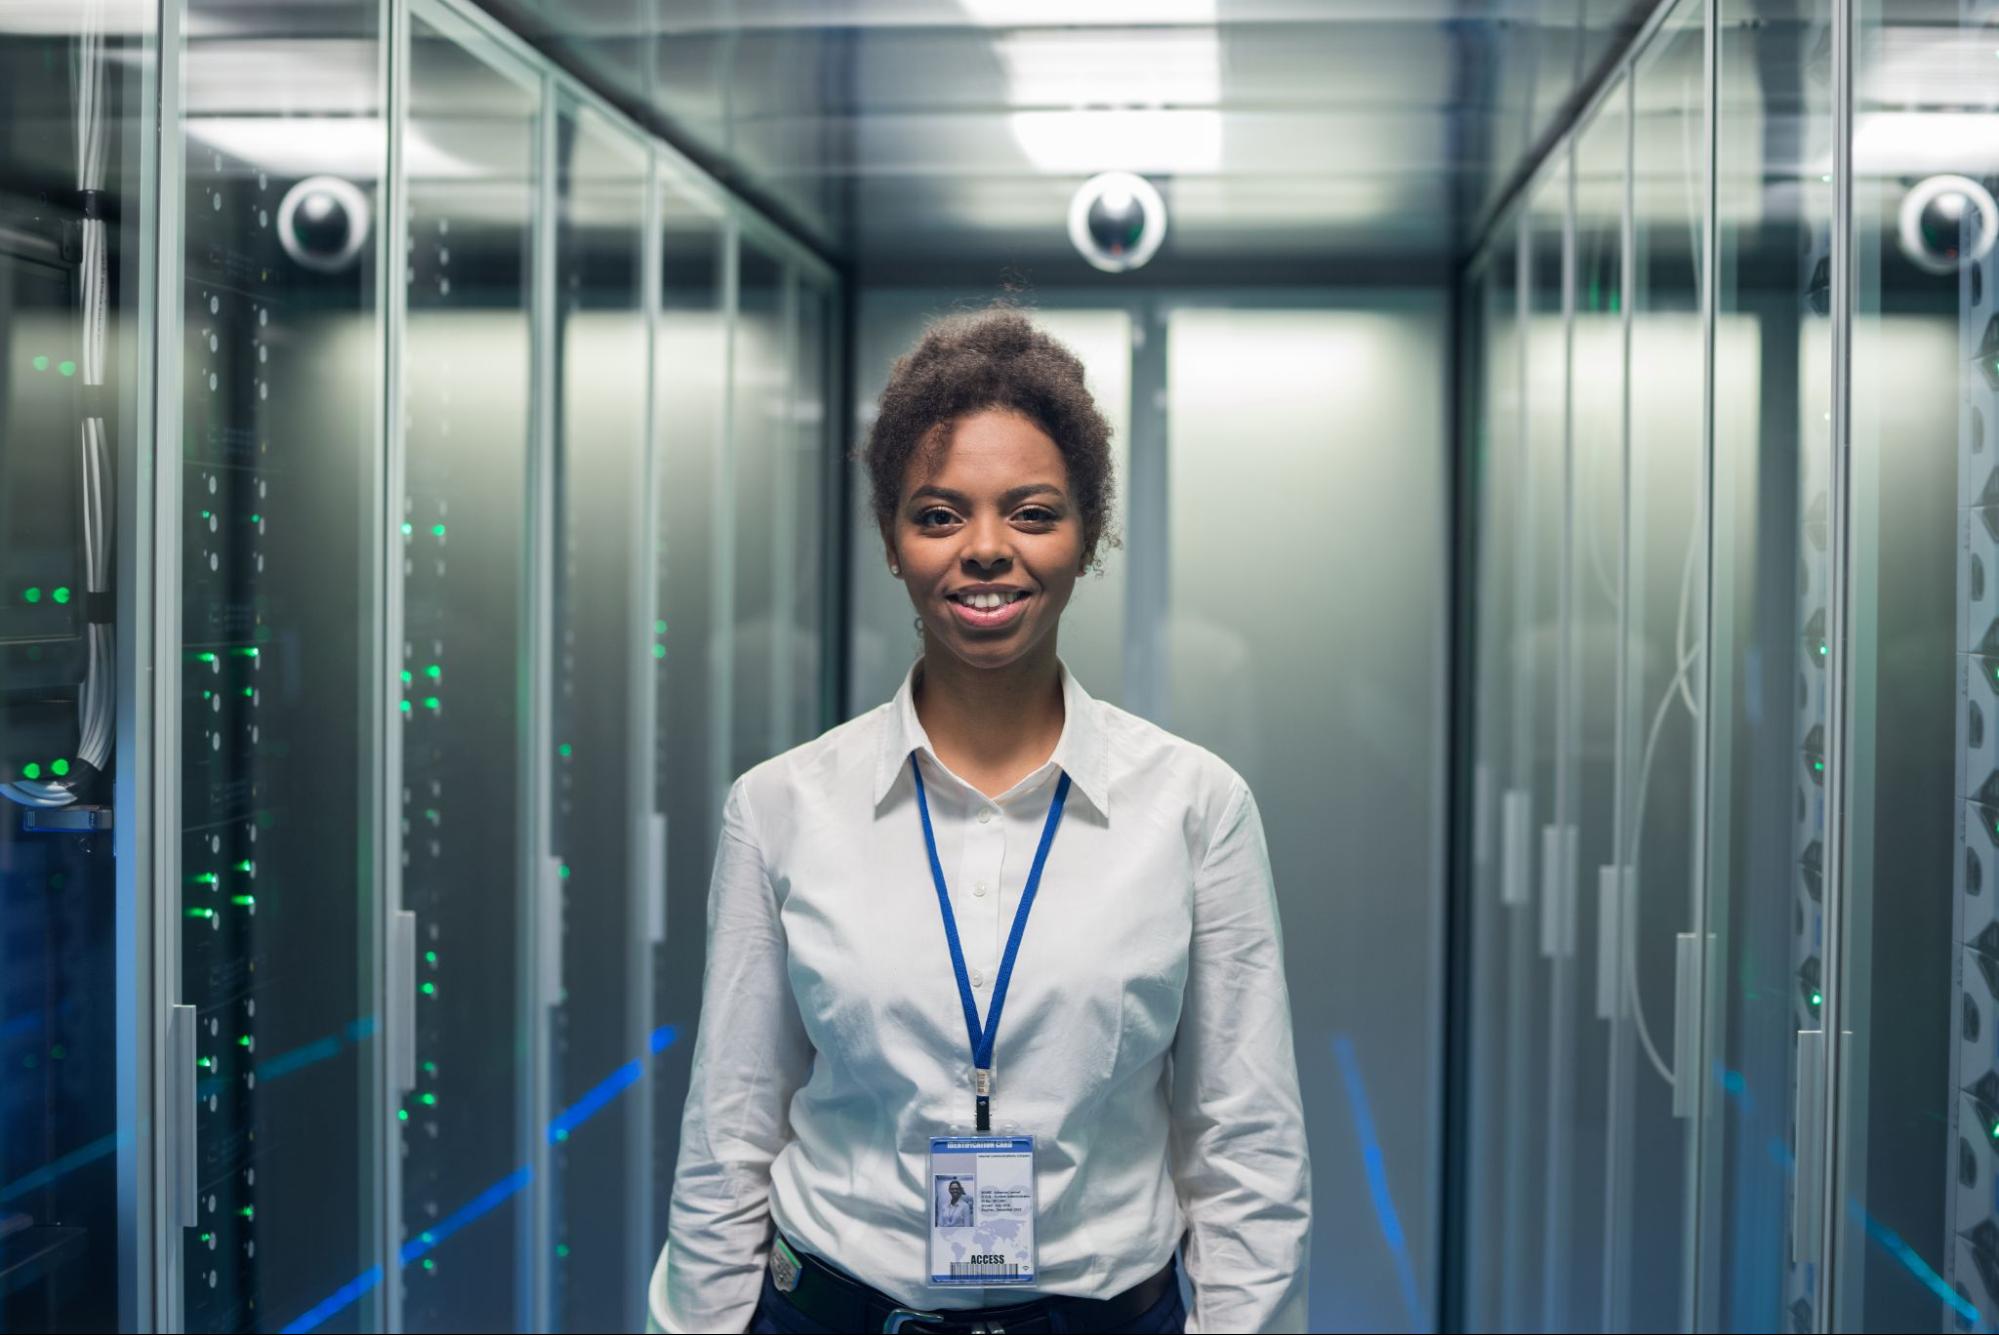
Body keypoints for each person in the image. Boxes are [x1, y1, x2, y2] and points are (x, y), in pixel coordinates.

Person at [651, 303, 1310, 1335]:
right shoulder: (781, 808)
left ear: (1087, 536)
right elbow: (729, 1135)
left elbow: (1246, 1150)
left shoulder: (1194, 807)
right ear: (892, 539)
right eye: (940, 514)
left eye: (1033, 513)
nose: (987, 551)